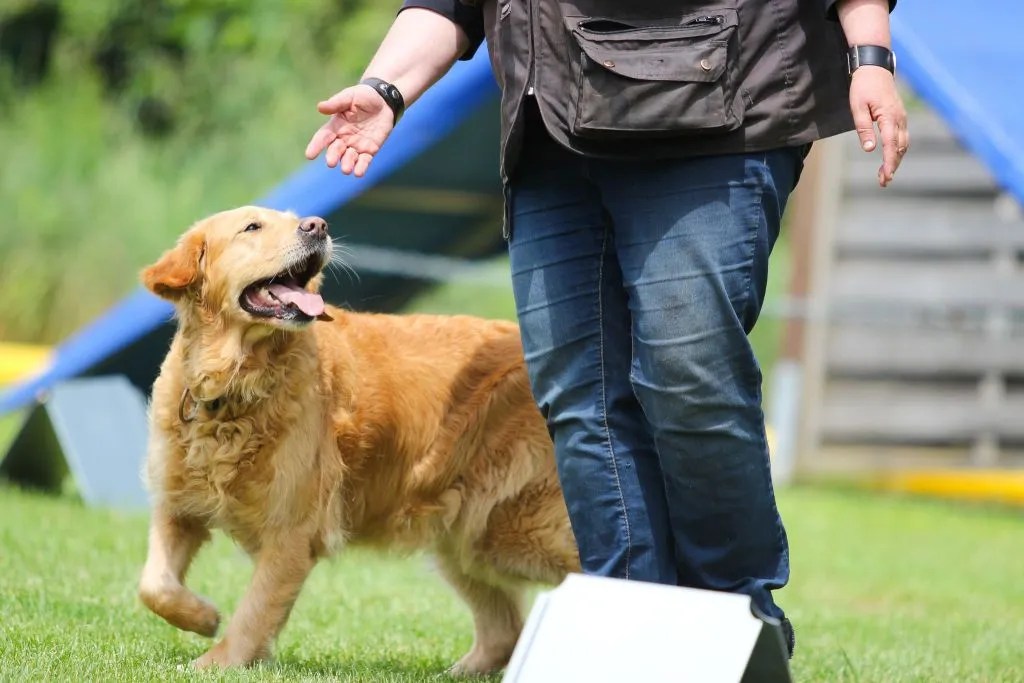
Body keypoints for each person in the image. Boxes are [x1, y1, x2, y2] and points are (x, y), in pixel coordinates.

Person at [305, 0, 907, 658]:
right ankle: (627, 621)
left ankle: (732, 620)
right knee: (578, 394)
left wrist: (870, 58)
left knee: (688, 379)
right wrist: (385, 87)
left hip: (716, 110)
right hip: (549, 124)